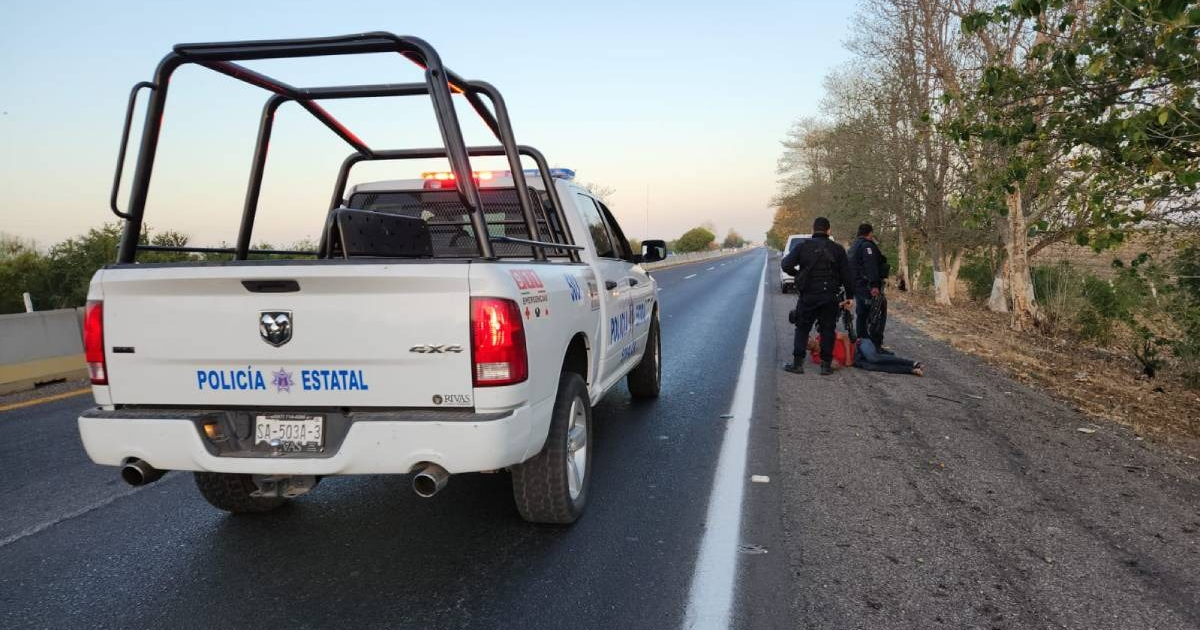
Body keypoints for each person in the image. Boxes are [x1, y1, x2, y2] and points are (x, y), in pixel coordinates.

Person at [781, 217, 854, 376]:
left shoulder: (802, 247)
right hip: (830, 297)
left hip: (809, 296)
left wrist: (798, 274)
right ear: (829, 230)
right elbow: (848, 275)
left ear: (813, 229)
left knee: (802, 328)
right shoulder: (838, 249)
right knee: (828, 330)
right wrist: (850, 297)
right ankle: (825, 366)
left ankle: (797, 364)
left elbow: (785, 264)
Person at [848, 223, 889, 349]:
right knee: (877, 313)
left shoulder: (854, 246)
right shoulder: (867, 246)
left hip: (857, 285)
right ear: (870, 233)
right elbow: (871, 266)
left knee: (862, 314)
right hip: (867, 286)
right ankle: (874, 344)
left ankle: (862, 341)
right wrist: (874, 285)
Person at [854, 338, 923, 376]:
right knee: (871, 366)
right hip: (855, 359)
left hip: (859, 345)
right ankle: (910, 370)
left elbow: (845, 338)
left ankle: (912, 363)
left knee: (873, 358)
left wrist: (848, 357)